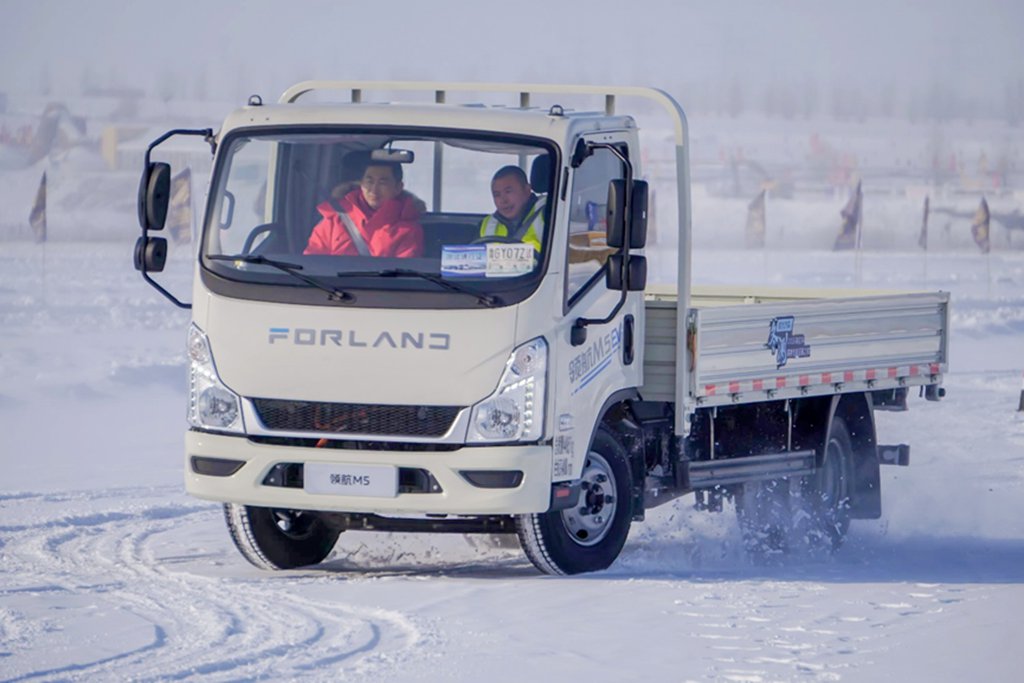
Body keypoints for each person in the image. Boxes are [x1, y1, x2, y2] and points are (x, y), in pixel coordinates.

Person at [304, 160, 424, 257]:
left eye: (382, 183)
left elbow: (402, 278)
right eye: (369, 181)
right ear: (361, 184)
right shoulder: (334, 219)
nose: (374, 189)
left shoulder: (409, 230)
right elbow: (312, 264)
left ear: (398, 187)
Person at [478, 165, 545, 252]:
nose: (503, 200)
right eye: (497, 195)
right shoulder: (486, 225)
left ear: (527, 190)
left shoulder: (548, 214)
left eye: (508, 192)